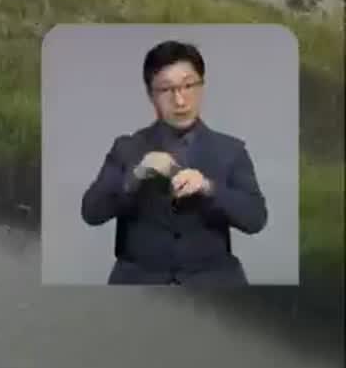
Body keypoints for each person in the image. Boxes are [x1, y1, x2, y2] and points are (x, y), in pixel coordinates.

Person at [79, 39, 268, 285]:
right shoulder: (127, 148)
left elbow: (255, 219)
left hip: (216, 290)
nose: (180, 101)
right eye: (167, 90)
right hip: (138, 287)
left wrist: (208, 188)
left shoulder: (231, 150)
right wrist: (134, 176)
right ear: (151, 95)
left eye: (188, 85)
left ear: (202, 86)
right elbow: (91, 213)